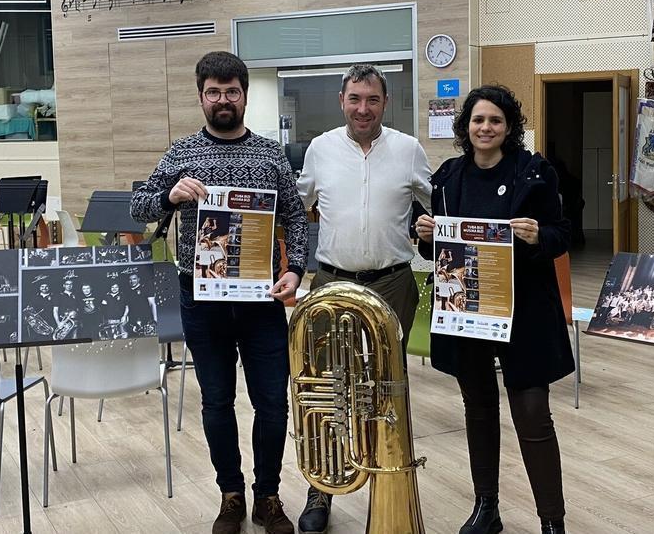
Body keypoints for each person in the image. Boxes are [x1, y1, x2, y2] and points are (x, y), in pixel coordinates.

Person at [131, 51, 306, 534]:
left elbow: (294, 216)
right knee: (216, 401)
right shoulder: (182, 152)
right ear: (201, 97)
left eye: (232, 91)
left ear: (244, 95)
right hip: (201, 300)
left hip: (262, 299)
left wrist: (296, 271)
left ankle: (267, 495)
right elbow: (137, 206)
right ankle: (230, 495)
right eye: (214, 92)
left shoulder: (271, 153)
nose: (223, 100)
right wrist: (169, 195)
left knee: (273, 403)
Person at [414, 85, 571, 534]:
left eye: (495, 121)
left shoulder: (535, 173)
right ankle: (488, 508)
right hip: (467, 312)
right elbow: (436, 253)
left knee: (534, 414)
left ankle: (551, 521)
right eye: (478, 120)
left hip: (525, 316)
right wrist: (423, 234)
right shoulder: (447, 177)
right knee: (478, 409)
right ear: (466, 126)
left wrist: (539, 235)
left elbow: (562, 234)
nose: (486, 128)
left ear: (509, 127)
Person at [294, 63, 431, 533]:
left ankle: (387, 479)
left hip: (393, 281)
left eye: (372, 100)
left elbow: (442, 208)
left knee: (386, 388)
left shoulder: (409, 150)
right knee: (332, 387)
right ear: (342, 101)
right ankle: (322, 489)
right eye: (355, 99)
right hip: (333, 283)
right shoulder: (320, 149)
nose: (363, 108)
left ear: (384, 103)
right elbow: (295, 208)